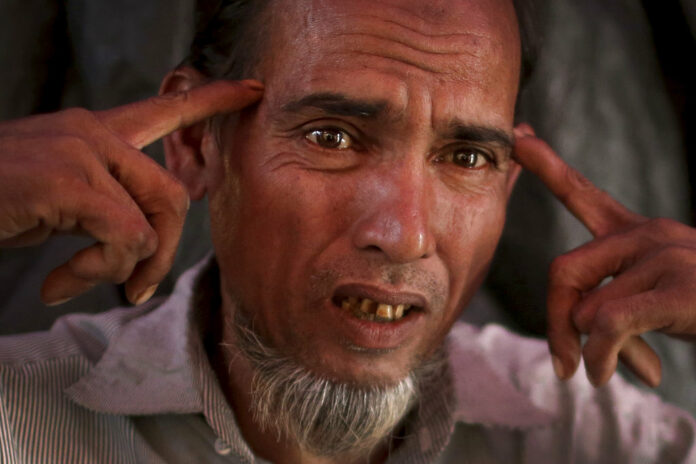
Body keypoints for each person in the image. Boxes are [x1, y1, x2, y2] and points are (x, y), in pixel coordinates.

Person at [1, 0, 696, 462]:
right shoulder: (19, 421)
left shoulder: (582, 437)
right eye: (332, 137)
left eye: (466, 157)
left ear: (508, 183)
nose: (403, 233)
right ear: (195, 142)